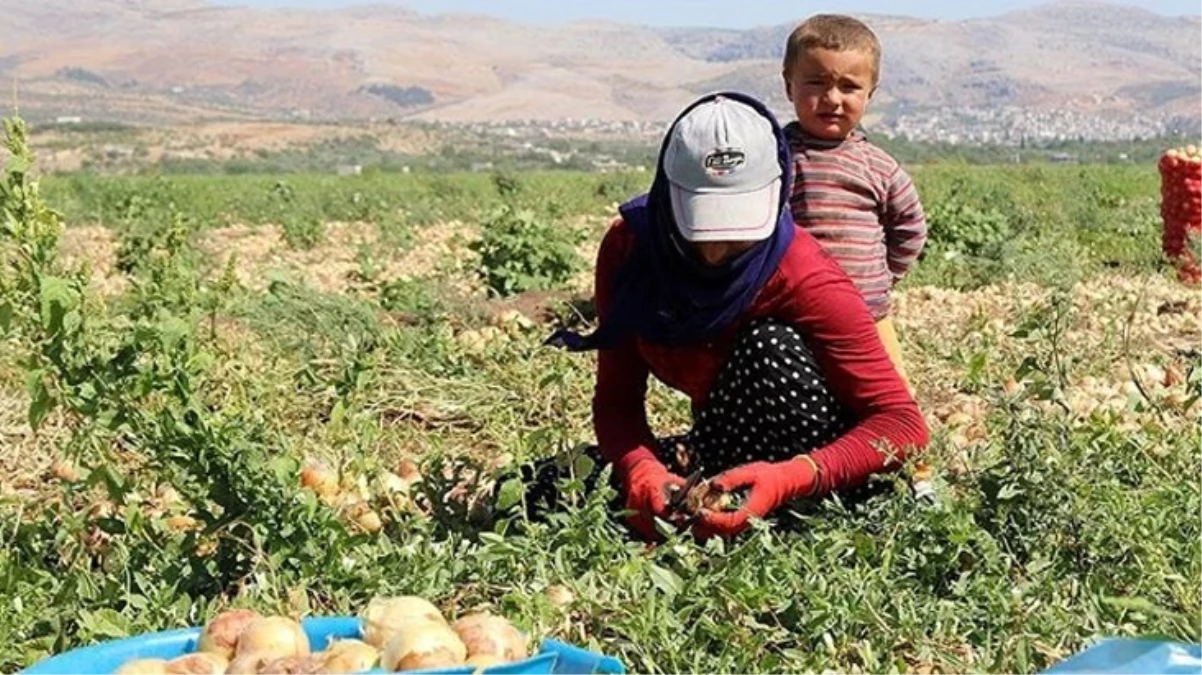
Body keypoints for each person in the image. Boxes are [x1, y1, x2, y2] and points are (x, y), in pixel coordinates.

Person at [534, 90, 929, 543]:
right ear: (668, 198)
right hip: (724, 443)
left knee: (769, 346)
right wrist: (642, 471)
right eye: (701, 228)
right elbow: (618, 401)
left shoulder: (801, 272)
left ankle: (789, 516)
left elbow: (902, 425)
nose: (717, 253)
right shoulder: (633, 254)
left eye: (738, 235)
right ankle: (718, 508)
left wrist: (792, 478)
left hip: (820, 459)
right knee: (541, 489)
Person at [780, 14, 928, 382]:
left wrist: (884, 277)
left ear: (869, 95)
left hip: (868, 314)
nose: (832, 99)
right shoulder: (774, 157)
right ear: (789, 86)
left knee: (890, 403)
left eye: (849, 87)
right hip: (793, 316)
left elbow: (910, 227)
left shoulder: (879, 167)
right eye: (816, 83)